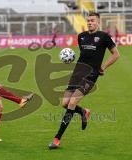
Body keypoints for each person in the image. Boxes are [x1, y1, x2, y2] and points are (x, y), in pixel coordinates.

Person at [48, 12, 120, 149]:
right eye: (88, 21)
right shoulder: (81, 37)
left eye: (92, 20)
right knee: (64, 103)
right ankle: (83, 112)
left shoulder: (104, 37)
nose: (90, 23)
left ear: (98, 22)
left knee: (72, 102)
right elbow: (84, 56)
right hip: (77, 72)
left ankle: (57, 138)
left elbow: (116, 55)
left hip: (91, 75)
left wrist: (103, 67)